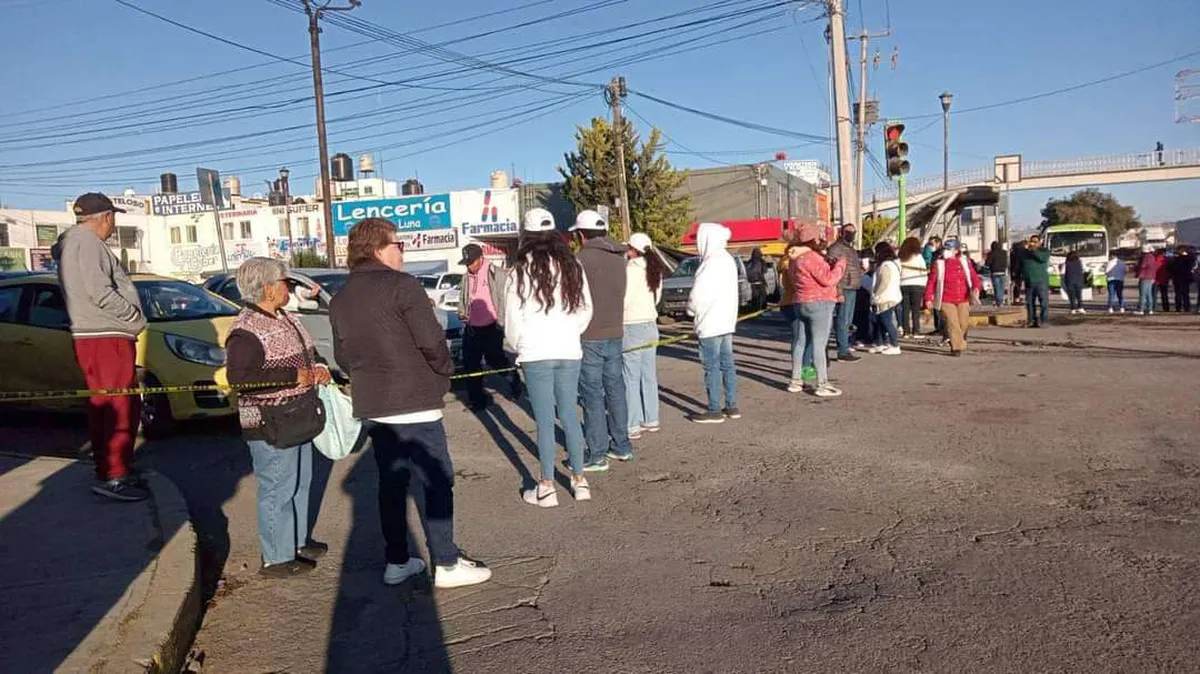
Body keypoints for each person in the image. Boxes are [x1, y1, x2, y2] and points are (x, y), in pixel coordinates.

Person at [329, 218, 491, 589]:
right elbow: (432, 341)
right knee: (436, 480)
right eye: (398, 245)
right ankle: (447, 563)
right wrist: (443, 372)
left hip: (373, 404)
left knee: (392, 483)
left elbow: (343, 357)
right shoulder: (403, 286)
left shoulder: (340, 299)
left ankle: (398, 559)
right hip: (414, 400)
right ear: (378, 249)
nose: (403, 252)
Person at [225, 258, 331, 578]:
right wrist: (292, 376)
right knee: (277, 489)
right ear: (268, 289)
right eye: (285, 282)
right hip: (270, 421)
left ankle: (296, 542)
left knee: (300, 482)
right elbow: (240, 378)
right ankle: (276, 556)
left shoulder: (284, 316)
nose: (289, 287)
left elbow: (306, 353)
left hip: (297, 414)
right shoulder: (246, 330)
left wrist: (320, 367)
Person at [53, 193, 149, 501]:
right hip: (105, 333)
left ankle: (110, 468)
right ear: (105, 217)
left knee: (104, 405)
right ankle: (115, 476)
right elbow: (100, 290)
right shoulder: (88, 243)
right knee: (120, 406)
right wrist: (133, 316)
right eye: (113, 217)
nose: (113, 223)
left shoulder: (74, 243)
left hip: (94, 333)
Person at [504, 209, 593, 508]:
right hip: (568, 349)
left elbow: (512, 320)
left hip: (535, 352)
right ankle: (580, 480)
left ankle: (546, 486)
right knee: (569, 414)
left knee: (543, 419)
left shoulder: (519, 270)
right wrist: (571, 334)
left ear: (526, 236)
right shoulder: (573, 266)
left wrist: (520, 346)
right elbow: (585, 310)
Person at [571, 210, 634, 470]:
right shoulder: (619, 258)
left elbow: (574, 298)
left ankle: (596, 453)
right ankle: (621, 445)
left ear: (581, 234)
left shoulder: (581, 259)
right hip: (615, 331)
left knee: (592, 393)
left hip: (590, 333)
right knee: (616, 388)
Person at [456, 243, 520, 411]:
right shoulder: (466, 277)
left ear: (480, 258)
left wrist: (505, 323)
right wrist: (462, 312)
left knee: (495, 360)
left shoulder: (496, 274)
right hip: (471, 328)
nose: (469, 266)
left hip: (492, 326)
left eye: (471, 262)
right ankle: (477, 401)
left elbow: (507, 299)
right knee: (471, 364)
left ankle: (512, 377)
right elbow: (464, 298)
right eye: (466, 263)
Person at [688, 222, 741, 422]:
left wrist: (690, 309)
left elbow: (698, 295)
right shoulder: (728, 259)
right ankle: (732, 405)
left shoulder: (709, 263)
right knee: (727, 364)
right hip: (726, 321)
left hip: (709, 322)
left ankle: (714, 409)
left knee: (711, 366)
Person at [789, 222, 847, 396]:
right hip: (820, 303)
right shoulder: (812, 258)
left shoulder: (794, 258)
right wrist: (840, 266)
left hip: (800, 302)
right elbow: (828, 279)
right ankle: (822, 384)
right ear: (813, 239)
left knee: (800, 342)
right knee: (819, 344)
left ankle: (795, 380)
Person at [621, 233, 664, 440]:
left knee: (630, 377)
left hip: (631, 325)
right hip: (650, 324)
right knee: (649, 375)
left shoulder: (629, 271)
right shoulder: (654, 269)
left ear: (633, 250)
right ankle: (651, 418)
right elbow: (657, 298)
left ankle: (632, 424)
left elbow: (624, 300)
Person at [923, 239, 981, 356]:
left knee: (963, 323)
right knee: (952, 322)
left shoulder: (965, 262)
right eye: (945, 249)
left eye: (949, 249)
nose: (946, 251)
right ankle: (956, 348)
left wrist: (976, 288)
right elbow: (931, 282)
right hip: (946, 299)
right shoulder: (939, 264)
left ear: (956, 251)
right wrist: (928, 298)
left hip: (963, 298)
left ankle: (959, 341)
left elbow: (974, 277)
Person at [778, 240, 817, 388]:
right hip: (795, 302)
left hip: (790, 302)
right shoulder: (792, 264)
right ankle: (801, 371)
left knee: (803, 337)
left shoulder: (786, 262)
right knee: (801, 338)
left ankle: (803, 369)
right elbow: (796, 284)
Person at [827, 223, 863, 363]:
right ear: (842, 232)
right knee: (843, 319)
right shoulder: (836, 248)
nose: (852, 234)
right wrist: (838, 290)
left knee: (847, 320)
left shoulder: (849, 248)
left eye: (854, 232)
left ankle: (845, 346)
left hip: (852, 286)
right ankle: (842, 350)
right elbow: (834, 270)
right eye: (849, 232)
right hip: (844, 287)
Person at [870, 241, 902, 355]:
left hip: (885, 297)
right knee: (879, 321)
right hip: (888, 296)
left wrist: (876, 294)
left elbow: (884, 281)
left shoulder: (886, 265)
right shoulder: (891, 264)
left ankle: (894, 344)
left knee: (885, 320)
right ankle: (880, 343)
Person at [898, 236, 928, 339]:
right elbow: (923, 271)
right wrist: (924, 285)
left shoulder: (901, 257)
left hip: (903, 284)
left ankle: (906, 331)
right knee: (915, 309)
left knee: (905, 309)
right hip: (917, 284)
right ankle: (916, 331)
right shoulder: (918, 256)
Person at [1022, 234, 1051, 328]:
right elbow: (1021, 263)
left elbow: (1042, 258)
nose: (1033, 243)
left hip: (1041, 280)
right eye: (1032, 241)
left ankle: (1043, 320)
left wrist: (1034, 250)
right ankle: (1031, 320)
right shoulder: (1026, 253)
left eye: (1035, 242)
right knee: (1030, 302)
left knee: (1043, 302)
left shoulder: (1044, 251)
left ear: (1039, 242)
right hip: (1029, 281)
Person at [1135, 245, 1160, 315]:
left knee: (1142, 294)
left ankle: (1141, 310)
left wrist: (1137, 267)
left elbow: (1143, 266)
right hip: (1151, 277)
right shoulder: (1152, 257)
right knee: (1149, 294)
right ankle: (1150, 309)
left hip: (1144, 277)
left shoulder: (1146, 257)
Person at [1169, 245, 1194, 313]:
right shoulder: (1190, 258)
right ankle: (1187, 308)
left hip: (1178, 278)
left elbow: (1173, 268)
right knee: (1185, 294)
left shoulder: (1177, 259)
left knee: (1178, 294)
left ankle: (1178, 308)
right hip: (1186, 278)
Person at [985, 240, 1009, 307]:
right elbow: (1006, 262)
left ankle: (999, 301)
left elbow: (987, 263)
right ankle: (1000, 301)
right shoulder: (1004, 252)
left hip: (994, 272)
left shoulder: (991, 253)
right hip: (1003, 272)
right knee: (1001, 287)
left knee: (997, 287)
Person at [1009, 241, 1027, 305]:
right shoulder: (1022, 251)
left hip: (1014, 270)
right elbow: (1019, 262)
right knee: (1018, 285)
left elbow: (1012, 262)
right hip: (1019, 271)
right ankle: (1017, 299)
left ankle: (1015, 298)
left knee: (1016, 285)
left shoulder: (1013, 251)